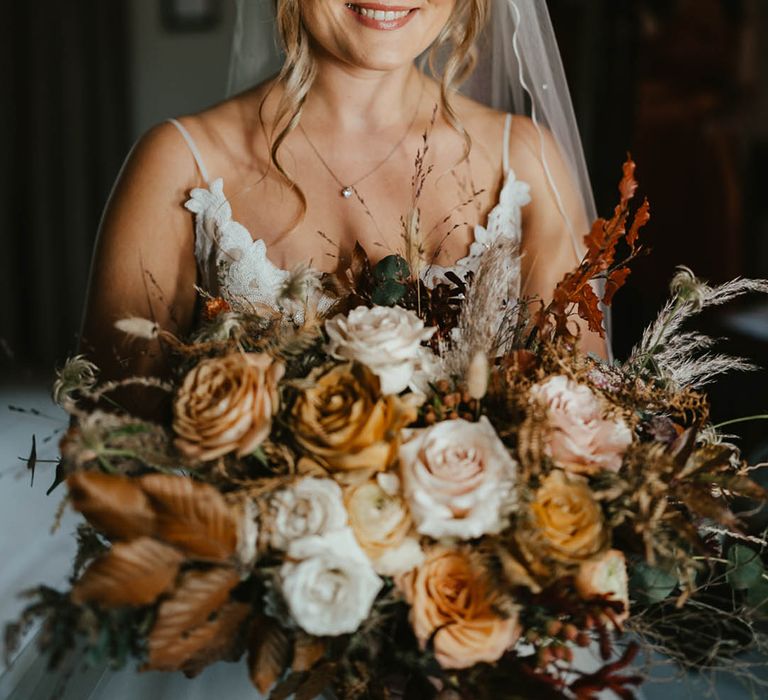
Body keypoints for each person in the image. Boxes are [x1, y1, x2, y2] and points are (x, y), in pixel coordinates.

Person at [0, 2, 610, 698]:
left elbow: (580, 432)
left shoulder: (524, 161)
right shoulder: (180, 162)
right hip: (245, 650)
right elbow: (110, 450)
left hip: (470, 632)